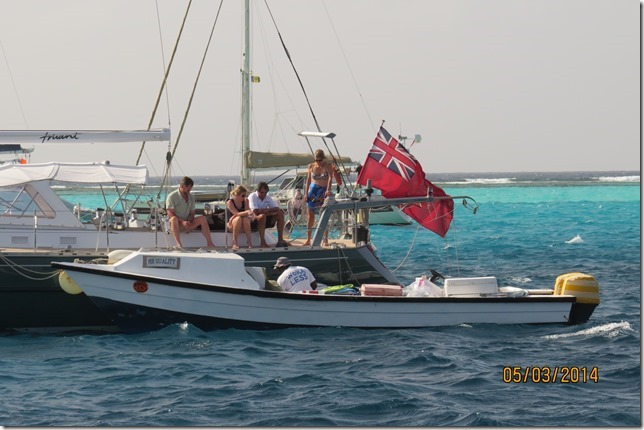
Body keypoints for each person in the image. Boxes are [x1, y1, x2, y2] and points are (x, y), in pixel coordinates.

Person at [166, 176, 215, 248]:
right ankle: (178, 244)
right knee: (173, 219)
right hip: (176, 223)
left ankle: (210, 243)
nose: (189, 190)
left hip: (187, 222)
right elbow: (170, 213)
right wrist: (182, 222)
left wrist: (188, 222)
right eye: (188, 188)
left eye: (190, 188)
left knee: (203, 218)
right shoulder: (172, 196)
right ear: (182, 186)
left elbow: (192, 213)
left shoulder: (191, 197)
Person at [304, 149, 334, 246]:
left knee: (323, 216)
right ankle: (308, 239)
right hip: (313, 191)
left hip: (323, 191)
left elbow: (330, 178)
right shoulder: (311, 166)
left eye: (320, 160)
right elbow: (308, 180)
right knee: (310, 216)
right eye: (317, 160)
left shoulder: (327, 165)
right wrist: (305, 193)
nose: (318, 162)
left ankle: (325, 240)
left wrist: (328, 190)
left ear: (323, 159)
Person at [248, 181, 287, 248]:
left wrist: (267, 210)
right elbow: (255, 211)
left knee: (280, 214)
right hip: (253, 220)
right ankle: (263, 242)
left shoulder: (267, 197)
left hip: (265, 219)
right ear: (257, 191)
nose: (263, 195)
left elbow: (277, 208)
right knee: (262, 216)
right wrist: (270, 212)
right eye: (262, 192)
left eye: (265, 192)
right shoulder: (252, 196)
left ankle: (280, 240)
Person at [226, 185, 254, 251]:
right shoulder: (230, 202)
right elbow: (236, 214)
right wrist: (247, 212)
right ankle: (234, 242)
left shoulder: (246, 201)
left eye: (245, 195)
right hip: (232, 225)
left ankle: (249, 241)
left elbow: (248, 214)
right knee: (238, 218)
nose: (244, 197)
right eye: (243, 195)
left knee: (245, 219)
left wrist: (249, 214)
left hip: (243, 225)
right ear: (237, 195)